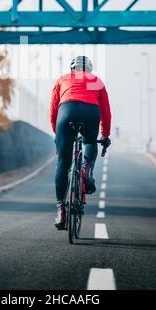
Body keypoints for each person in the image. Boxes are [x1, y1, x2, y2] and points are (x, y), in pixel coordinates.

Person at [50, 55, 111, 229]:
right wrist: (105, 135)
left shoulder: (62, 79)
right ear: (89, 70)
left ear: (72, 69)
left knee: (63, 163)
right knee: (90, 142)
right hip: (90, 112)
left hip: (66, 111)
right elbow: (106, 113)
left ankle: (61, 210)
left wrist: (59, 137)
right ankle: (86, 169)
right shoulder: (97, 81)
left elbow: (53, 111)